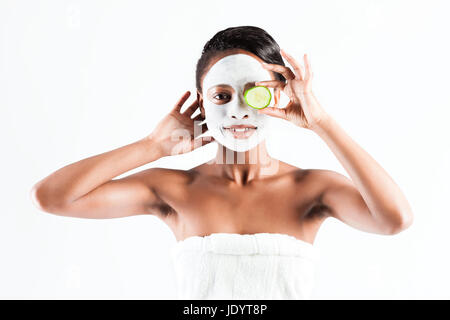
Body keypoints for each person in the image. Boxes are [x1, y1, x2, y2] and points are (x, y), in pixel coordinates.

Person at [30, 26, 413, 299]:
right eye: (221, 96)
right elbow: (51, 197)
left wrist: (322, 122)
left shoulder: (312, 189)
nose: (238, 112)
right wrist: (152, 146)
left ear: (279, 94)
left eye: (255, 94)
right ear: (201, 99)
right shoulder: (173, 190)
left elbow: (395, 219)